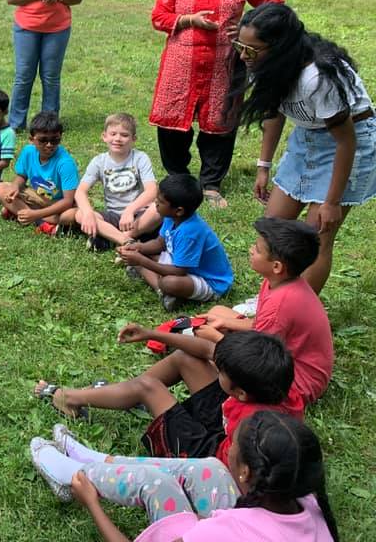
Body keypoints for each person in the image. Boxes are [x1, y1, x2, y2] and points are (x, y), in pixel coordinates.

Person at [231, 2, 376, 293]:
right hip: (308, 138)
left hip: (349, 145)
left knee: (315, 239)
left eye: (252, 49)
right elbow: (274, 113)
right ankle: (271, 302)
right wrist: (264, 166)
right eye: (240, 46)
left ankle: (294, 315)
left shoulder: (317, 78)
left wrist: (331, 202)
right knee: (271, 227)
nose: (244, 55)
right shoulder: (267, 63)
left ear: (280, 47)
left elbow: (346, 140)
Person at [32, 410, 338, 542]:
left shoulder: (222, 533)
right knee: (210, 469)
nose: (228, 448)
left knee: (159, 485)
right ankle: (99, 461)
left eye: (233, 445)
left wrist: (93, 505)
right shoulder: (308, 502)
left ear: (245, 473)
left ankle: (73, 476)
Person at [150, 0, 284, 208]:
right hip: (180, 64)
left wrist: (249, 25)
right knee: (173, 123)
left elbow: (275, 6)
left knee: (220, 123)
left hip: (226, 61)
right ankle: (178, 178)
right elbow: (158, 17)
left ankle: (211, 183)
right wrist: (187, 20)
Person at [36, 330, 303, 465]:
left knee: (148, 387)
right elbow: (209, 350)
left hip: (209, 457)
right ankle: (122, 394)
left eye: (220, 370)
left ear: (240, 393)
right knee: (185, 358)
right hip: (227, 425)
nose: (215, 365)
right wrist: (151, 333)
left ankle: (70, 398)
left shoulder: (253, 430)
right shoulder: (273, 380)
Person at [201, 218, 333, 406]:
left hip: (294, 383)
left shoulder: (281, 304)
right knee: (219, 312)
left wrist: (215, 337)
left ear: (277, 266)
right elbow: (260, 325)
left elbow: (256, 359)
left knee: (206, 354)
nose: (251, 250)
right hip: (281, 356)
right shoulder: (278, 281)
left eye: (257, 249)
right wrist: (225, 323)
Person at [6, 0, 84, 132]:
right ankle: (15, 124)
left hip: (57, 30)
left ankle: (49, 123)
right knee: (24, 76)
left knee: (51, 77)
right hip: (26, 28)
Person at [117, 174, 233, 311]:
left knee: (168, 282)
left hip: (209, 281)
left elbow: (178, 272)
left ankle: (163, 291)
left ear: (178, 210)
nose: (155, 203)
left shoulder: (189, 233)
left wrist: (142, 261)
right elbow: (160, 243)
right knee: (138, 254)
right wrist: (139, 247)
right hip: (184, 265)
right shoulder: (171, 217)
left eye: (160, 201)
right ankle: (162, 286)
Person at [73, 113, 161, 252]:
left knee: (157, 209)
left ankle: (114, 238)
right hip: (113, 215)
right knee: (79, 214)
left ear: (133, 139)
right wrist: (88, 212)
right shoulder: (99, 161)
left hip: (138, 214)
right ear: (104, 136)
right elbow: (80, 192)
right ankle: (125, 241)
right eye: (113, 134)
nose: (117, 139)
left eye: (124, 135)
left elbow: (152, 191)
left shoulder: (140, 158)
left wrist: (130, 210)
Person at [0, 110, 78, 236]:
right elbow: (21, 176)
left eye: (55, 140)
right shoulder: (28, 152)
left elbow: (68, 201)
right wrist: (15, 187)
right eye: (43, 140)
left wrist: (36, 214)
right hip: (37, 197)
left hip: (58, 204)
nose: (49, 145)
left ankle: (25, 214)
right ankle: (40, 221)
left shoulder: (65, 163)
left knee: (73, 215)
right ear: (31, 140)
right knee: (0, 188)